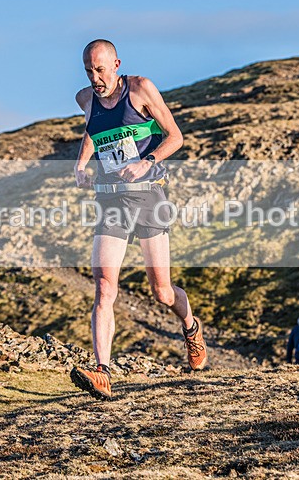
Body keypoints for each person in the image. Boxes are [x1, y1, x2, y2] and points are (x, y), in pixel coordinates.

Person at [70, 39, 207, 401]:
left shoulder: (140, 89)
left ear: (116, 63)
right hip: (111, 199)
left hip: (148, 194)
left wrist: (148, 161)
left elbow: (175, 136)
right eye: (89, 71)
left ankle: (191, 327)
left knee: (162, 292)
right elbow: (92, 130)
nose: (95, 78)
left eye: (100, 70)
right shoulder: (86, 99)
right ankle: (102, 371)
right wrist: (82, 164)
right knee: (104, 286)